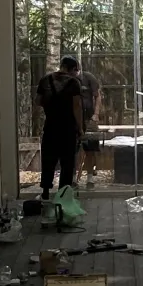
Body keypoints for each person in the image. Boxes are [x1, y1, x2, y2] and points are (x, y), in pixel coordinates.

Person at [35, 55, 84, 198]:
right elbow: (77, 106)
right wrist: (80, 127)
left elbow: (37, 101)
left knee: (48, 160)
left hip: (50, 126)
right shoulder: (74, 83)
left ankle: (45, 192)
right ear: (72, 69)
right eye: (76, 70)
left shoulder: (45, 80)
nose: (76, 73)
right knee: (67, 162)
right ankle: (63, 194)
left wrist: (50, 106)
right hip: (68, 128)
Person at [76, 62, 103, 184]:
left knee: (91, 148)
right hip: (73, 120)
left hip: (89, 118)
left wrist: (96, 114)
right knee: (73, 149)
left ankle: (90, 177)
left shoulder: (88, 77)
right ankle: (72, 178)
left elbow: (97, 96)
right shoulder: (68, 80)